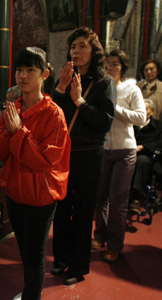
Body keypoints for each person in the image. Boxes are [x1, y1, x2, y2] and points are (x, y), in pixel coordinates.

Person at [0, 47, 70, 300]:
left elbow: (47, 159)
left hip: (40, 196)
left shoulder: (54, 114)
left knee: (34, 257)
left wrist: (18, 132)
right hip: (14, 191)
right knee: (24, 252)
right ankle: (28, 293)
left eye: (30, 70)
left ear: (45, 74)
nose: (22, 75)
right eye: (19, 70)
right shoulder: (12, 108)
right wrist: (12, 131)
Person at [51, 27, 116, 285]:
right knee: (61, 208)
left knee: (82, 212)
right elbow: (55, 115)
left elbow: (104, 122)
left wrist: (79, 101)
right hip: (66, 153)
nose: (76, 51)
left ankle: (78, 268)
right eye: (73, 47)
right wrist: (61, 88)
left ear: (94, 51)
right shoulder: (68, 77)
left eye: (82, 46)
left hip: (90, 154)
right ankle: (61, 259)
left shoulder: (104, 82)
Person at [92, 49, 145, 262]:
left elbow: (141, 117)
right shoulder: (100, 87)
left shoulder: (131, 89)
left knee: (117, 200)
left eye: (115, 63)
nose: (110, 67)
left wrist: (115, 109)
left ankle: (114, 244)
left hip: (125, 150)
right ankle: (100, 235)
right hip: (104, 149)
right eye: (107, 64)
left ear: (122, 66)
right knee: (99, 197)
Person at [129, 99, 162, 212]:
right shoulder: (132, 123)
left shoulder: (159, 126)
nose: (143, 110)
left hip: (148, 156)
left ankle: (136, 198)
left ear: (152, 112)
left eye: (146, 109)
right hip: (129, 152)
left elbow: (160, 143)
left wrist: (143, 147)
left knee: (141, 160)